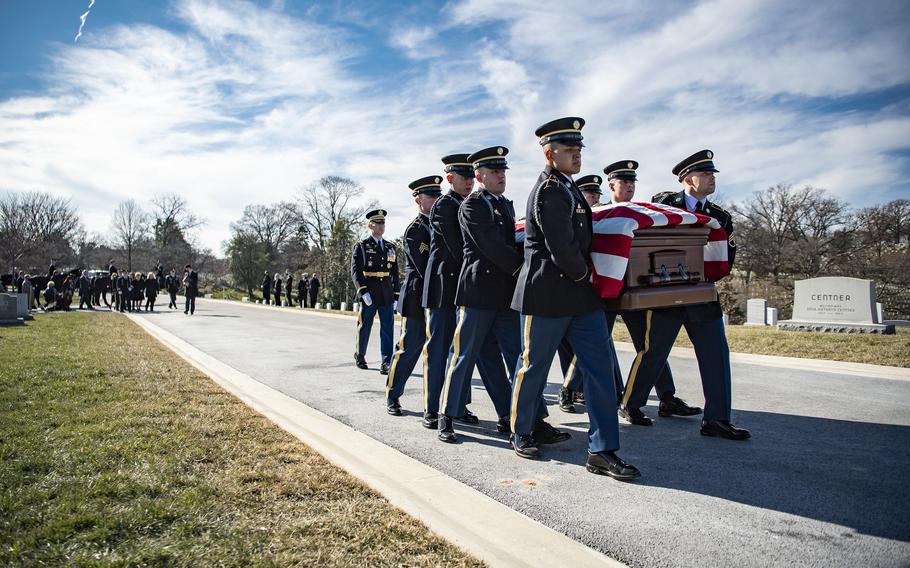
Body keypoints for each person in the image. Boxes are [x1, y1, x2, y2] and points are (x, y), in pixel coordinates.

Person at [510, 116, 640, 479]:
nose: (577, 155)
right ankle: (522, 430)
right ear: (551, 154)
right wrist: (589, 277)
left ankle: (602, 449)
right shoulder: (549, 190)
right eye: (570, 150)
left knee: (598, 370)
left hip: (581, 298)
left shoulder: (568, 188)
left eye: (579, 149)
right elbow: (561, 248)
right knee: (533, 366)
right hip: (547, 295)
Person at [621, 149, 750, 441]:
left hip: (702, 294)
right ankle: (631, 404)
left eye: (713, 174)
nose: (712, 179)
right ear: (688, 179)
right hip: (665, 294)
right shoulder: (664, 204)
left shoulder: (720, 217)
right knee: (653, 352)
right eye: (706, 174)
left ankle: (717, 419)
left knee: (716, 355)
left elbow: (725, 257)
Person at [436, 146, 527, 443]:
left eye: (503, 171)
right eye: (494, 172)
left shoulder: (504, 205)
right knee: (463, 356)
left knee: (517, 358)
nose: (501, 176)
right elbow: (491, 247)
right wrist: (523, 269)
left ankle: (519, 418)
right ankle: (446, 416)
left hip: (503, 295)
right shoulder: (472, 205)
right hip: (477, 293)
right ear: (479, 176)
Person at [421, 154, 508, 429]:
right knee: (441, 351)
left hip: (470, 288)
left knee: (477, 351)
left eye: (472, 176)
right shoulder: (445, 206)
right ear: (450, 179)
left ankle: (458, 407)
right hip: (446, 288)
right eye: (464, 177)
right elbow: (459, 250)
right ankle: (433, 408)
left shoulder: (479, 204)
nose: (470, 181)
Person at [385, 176, 440, 415]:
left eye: (439, 195)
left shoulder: (443, 223)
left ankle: (442, 406)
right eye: (431, 196)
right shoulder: (415, 230)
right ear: (419, 201)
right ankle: (393, 394)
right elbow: (424, 265)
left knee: (440, 352)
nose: (436, 200)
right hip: (417, 297)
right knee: (409, 349)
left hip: (439, 296)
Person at [351, 209, 399, 374]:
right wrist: (363, 291)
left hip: (386, 292)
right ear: (370, 225)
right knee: (365, 325)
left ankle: (386, 361)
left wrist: (396, 294)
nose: (381, 226)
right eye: (378, 223)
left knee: (387, 328)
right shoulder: (362, 246)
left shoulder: (390, 247)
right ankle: (360, 354)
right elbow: (356, 271)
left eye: (383, 222)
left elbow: (394, 272)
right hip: (369, 290)